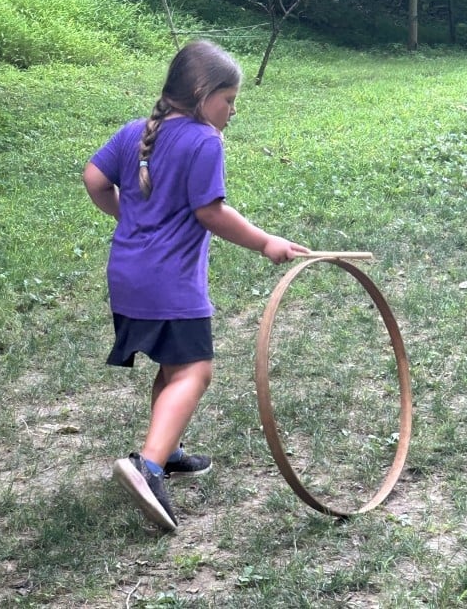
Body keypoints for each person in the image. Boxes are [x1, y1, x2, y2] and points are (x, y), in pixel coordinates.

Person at [83, 40, 309, 531]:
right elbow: (211, 212)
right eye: (228, 100)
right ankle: (148, 466)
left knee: (173, 365)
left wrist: (128, 215)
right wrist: (267, 243)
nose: (232, 111)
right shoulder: (204, 141)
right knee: (195, 373)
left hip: (127, 277)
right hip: (170, 282)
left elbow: (94, 178)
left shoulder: (134, 133)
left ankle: (169, 447)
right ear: (203, 94)